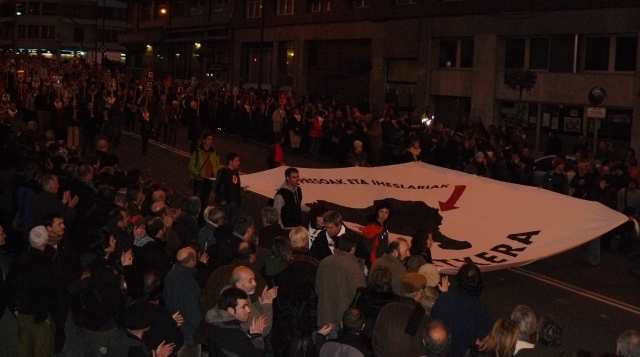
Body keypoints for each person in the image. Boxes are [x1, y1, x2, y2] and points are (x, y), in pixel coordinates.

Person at [430, 262, 493, 357]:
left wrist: (444, 295)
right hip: (460, 351)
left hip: (441, 349)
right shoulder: (480, 309)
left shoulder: (445, 299)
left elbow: (434, 318)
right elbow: (482, 340)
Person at [316, 233, 366, 327]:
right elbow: (359, 295)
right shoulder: (354, 267)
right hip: (343, 321)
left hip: (323, 319)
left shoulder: (324, 262)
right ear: (353, 248)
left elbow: (317, 289)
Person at [163, 247, 203, 357]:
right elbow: (192, 309)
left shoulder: (170, 275)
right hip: (189, 333)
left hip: (176, 328)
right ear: (192, 261)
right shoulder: (188, 281)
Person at [205, 287, 268, 357]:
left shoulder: (217, 323)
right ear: (231, 310)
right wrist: (257, 337)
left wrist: (250, 335)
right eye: (243, 307)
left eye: (247, 305)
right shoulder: (232, 333)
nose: (248, 310)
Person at [188, 132, 221, 211]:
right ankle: (193, 215)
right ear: (203, 140)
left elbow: (217, 165)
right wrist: (199, 174)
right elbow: (190, 166)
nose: (210, 141)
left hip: (209, 181)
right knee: (196, 201)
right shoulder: (197, 152)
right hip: (199, 180)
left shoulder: (215, 153)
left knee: (205, 201)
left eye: (211, 139)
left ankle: (201, 217)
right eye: (208, 139)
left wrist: (215, 174)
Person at [215, 152, 242, 222]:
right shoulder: (223, 172)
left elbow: (234, 186)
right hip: (226, 204)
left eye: (239, 161)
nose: (239, 163)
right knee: (222, 221)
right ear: (230, 162)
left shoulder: (235, 173)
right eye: (236, 161)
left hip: (234, 204)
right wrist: (222, 200)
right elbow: (219, 187)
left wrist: (241, 190)